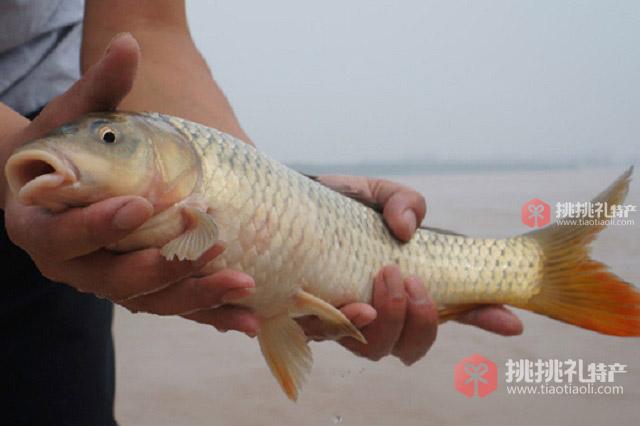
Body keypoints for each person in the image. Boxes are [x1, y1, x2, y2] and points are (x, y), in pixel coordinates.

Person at [0, 1, 522, 424]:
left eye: (114, 141)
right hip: (54, 149)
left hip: (56, 142)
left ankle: (527, 273)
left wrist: (292, 200)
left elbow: (145, 24)